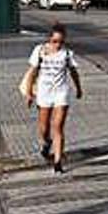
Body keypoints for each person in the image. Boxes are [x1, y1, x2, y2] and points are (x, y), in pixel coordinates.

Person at [27, 23, 83, 173]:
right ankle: (46, 143)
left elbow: (73, 73)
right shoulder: (39, 50)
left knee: (57, 127)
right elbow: (32, 72)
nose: (58, 45)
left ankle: (58, 162)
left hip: (61, 92)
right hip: (44, 92)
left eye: (61, 42)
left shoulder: (67, 54)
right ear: (49, 39)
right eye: (55, 41)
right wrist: (28, 93)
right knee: (43, 128)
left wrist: (78, 88)